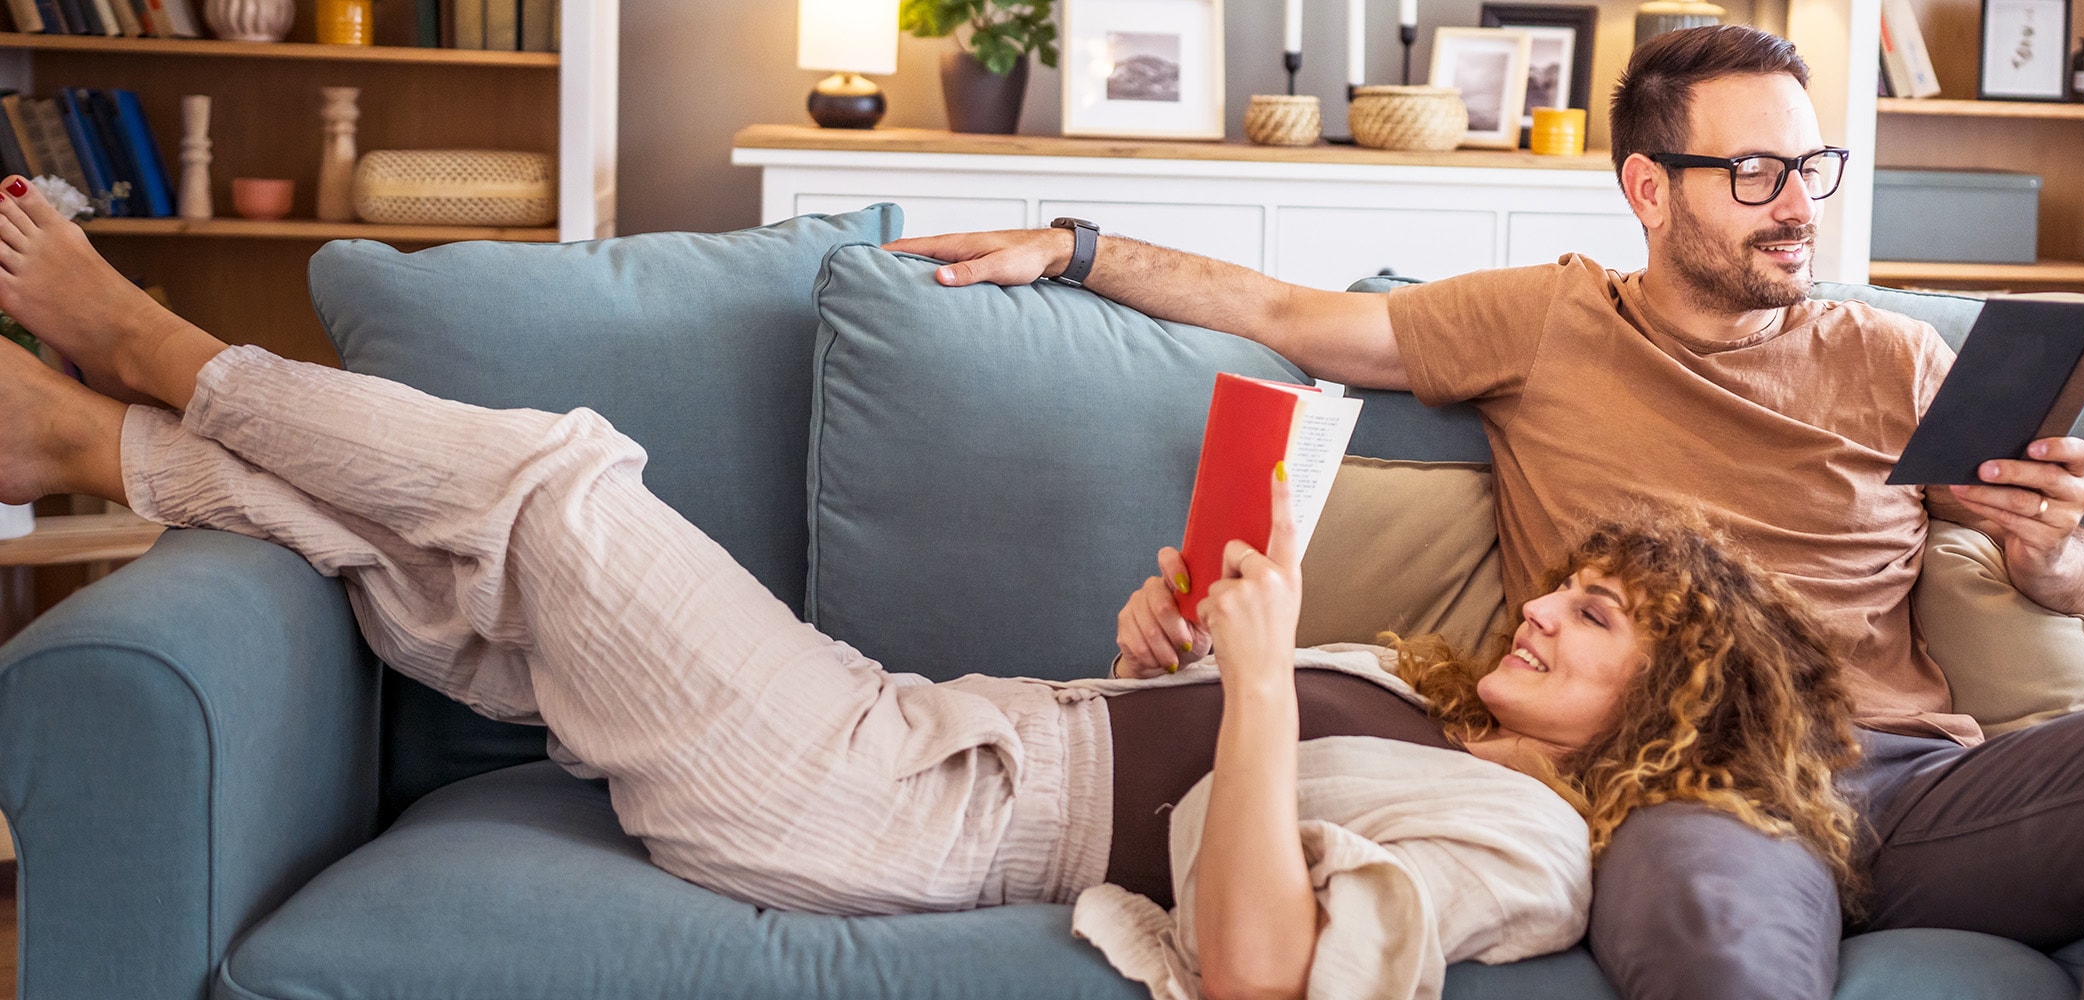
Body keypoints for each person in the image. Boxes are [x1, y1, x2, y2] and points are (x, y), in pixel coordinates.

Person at [0, 172, 1861, 998]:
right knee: (465, 568)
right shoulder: (1441, 696)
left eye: (1597, 621)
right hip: (923, 729)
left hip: (883, 815)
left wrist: (1273, 683)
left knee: (559, 482)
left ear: (1671, 708)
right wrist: (1171, 653)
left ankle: (152, 347)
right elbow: (1196, 765)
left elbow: (1260, 971)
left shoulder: (1536, 853)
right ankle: (97, 457)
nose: (1545, 607)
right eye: (1576, 592)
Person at [887, 24, 2084, 1000]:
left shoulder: (1893, 357)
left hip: (1909, 775)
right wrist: (1080, 244)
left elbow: (2069, 575)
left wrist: (2050, 550)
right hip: (1692, 788)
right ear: (1651, 188)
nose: (1798, 207)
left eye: (1810, 169)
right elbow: (1285, 312)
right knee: (1709, 932)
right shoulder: (1548, 326)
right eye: (1756, 174)